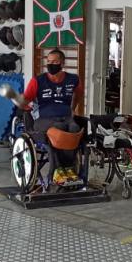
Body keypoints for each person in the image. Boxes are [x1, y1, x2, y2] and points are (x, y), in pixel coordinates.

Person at [17, 48, 83, 184]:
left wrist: (72, 109)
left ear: (62, 63)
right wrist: (27, 107)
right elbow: (23, 100)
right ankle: (58, 169)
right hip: (43, 120)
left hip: (65, 117)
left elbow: (79, 94)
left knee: (74, 129)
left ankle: (69, 167)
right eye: (49, 61)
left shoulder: (73, 79)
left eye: (55, 61)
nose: (51, 64)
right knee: (59, 130)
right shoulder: (38, 81)